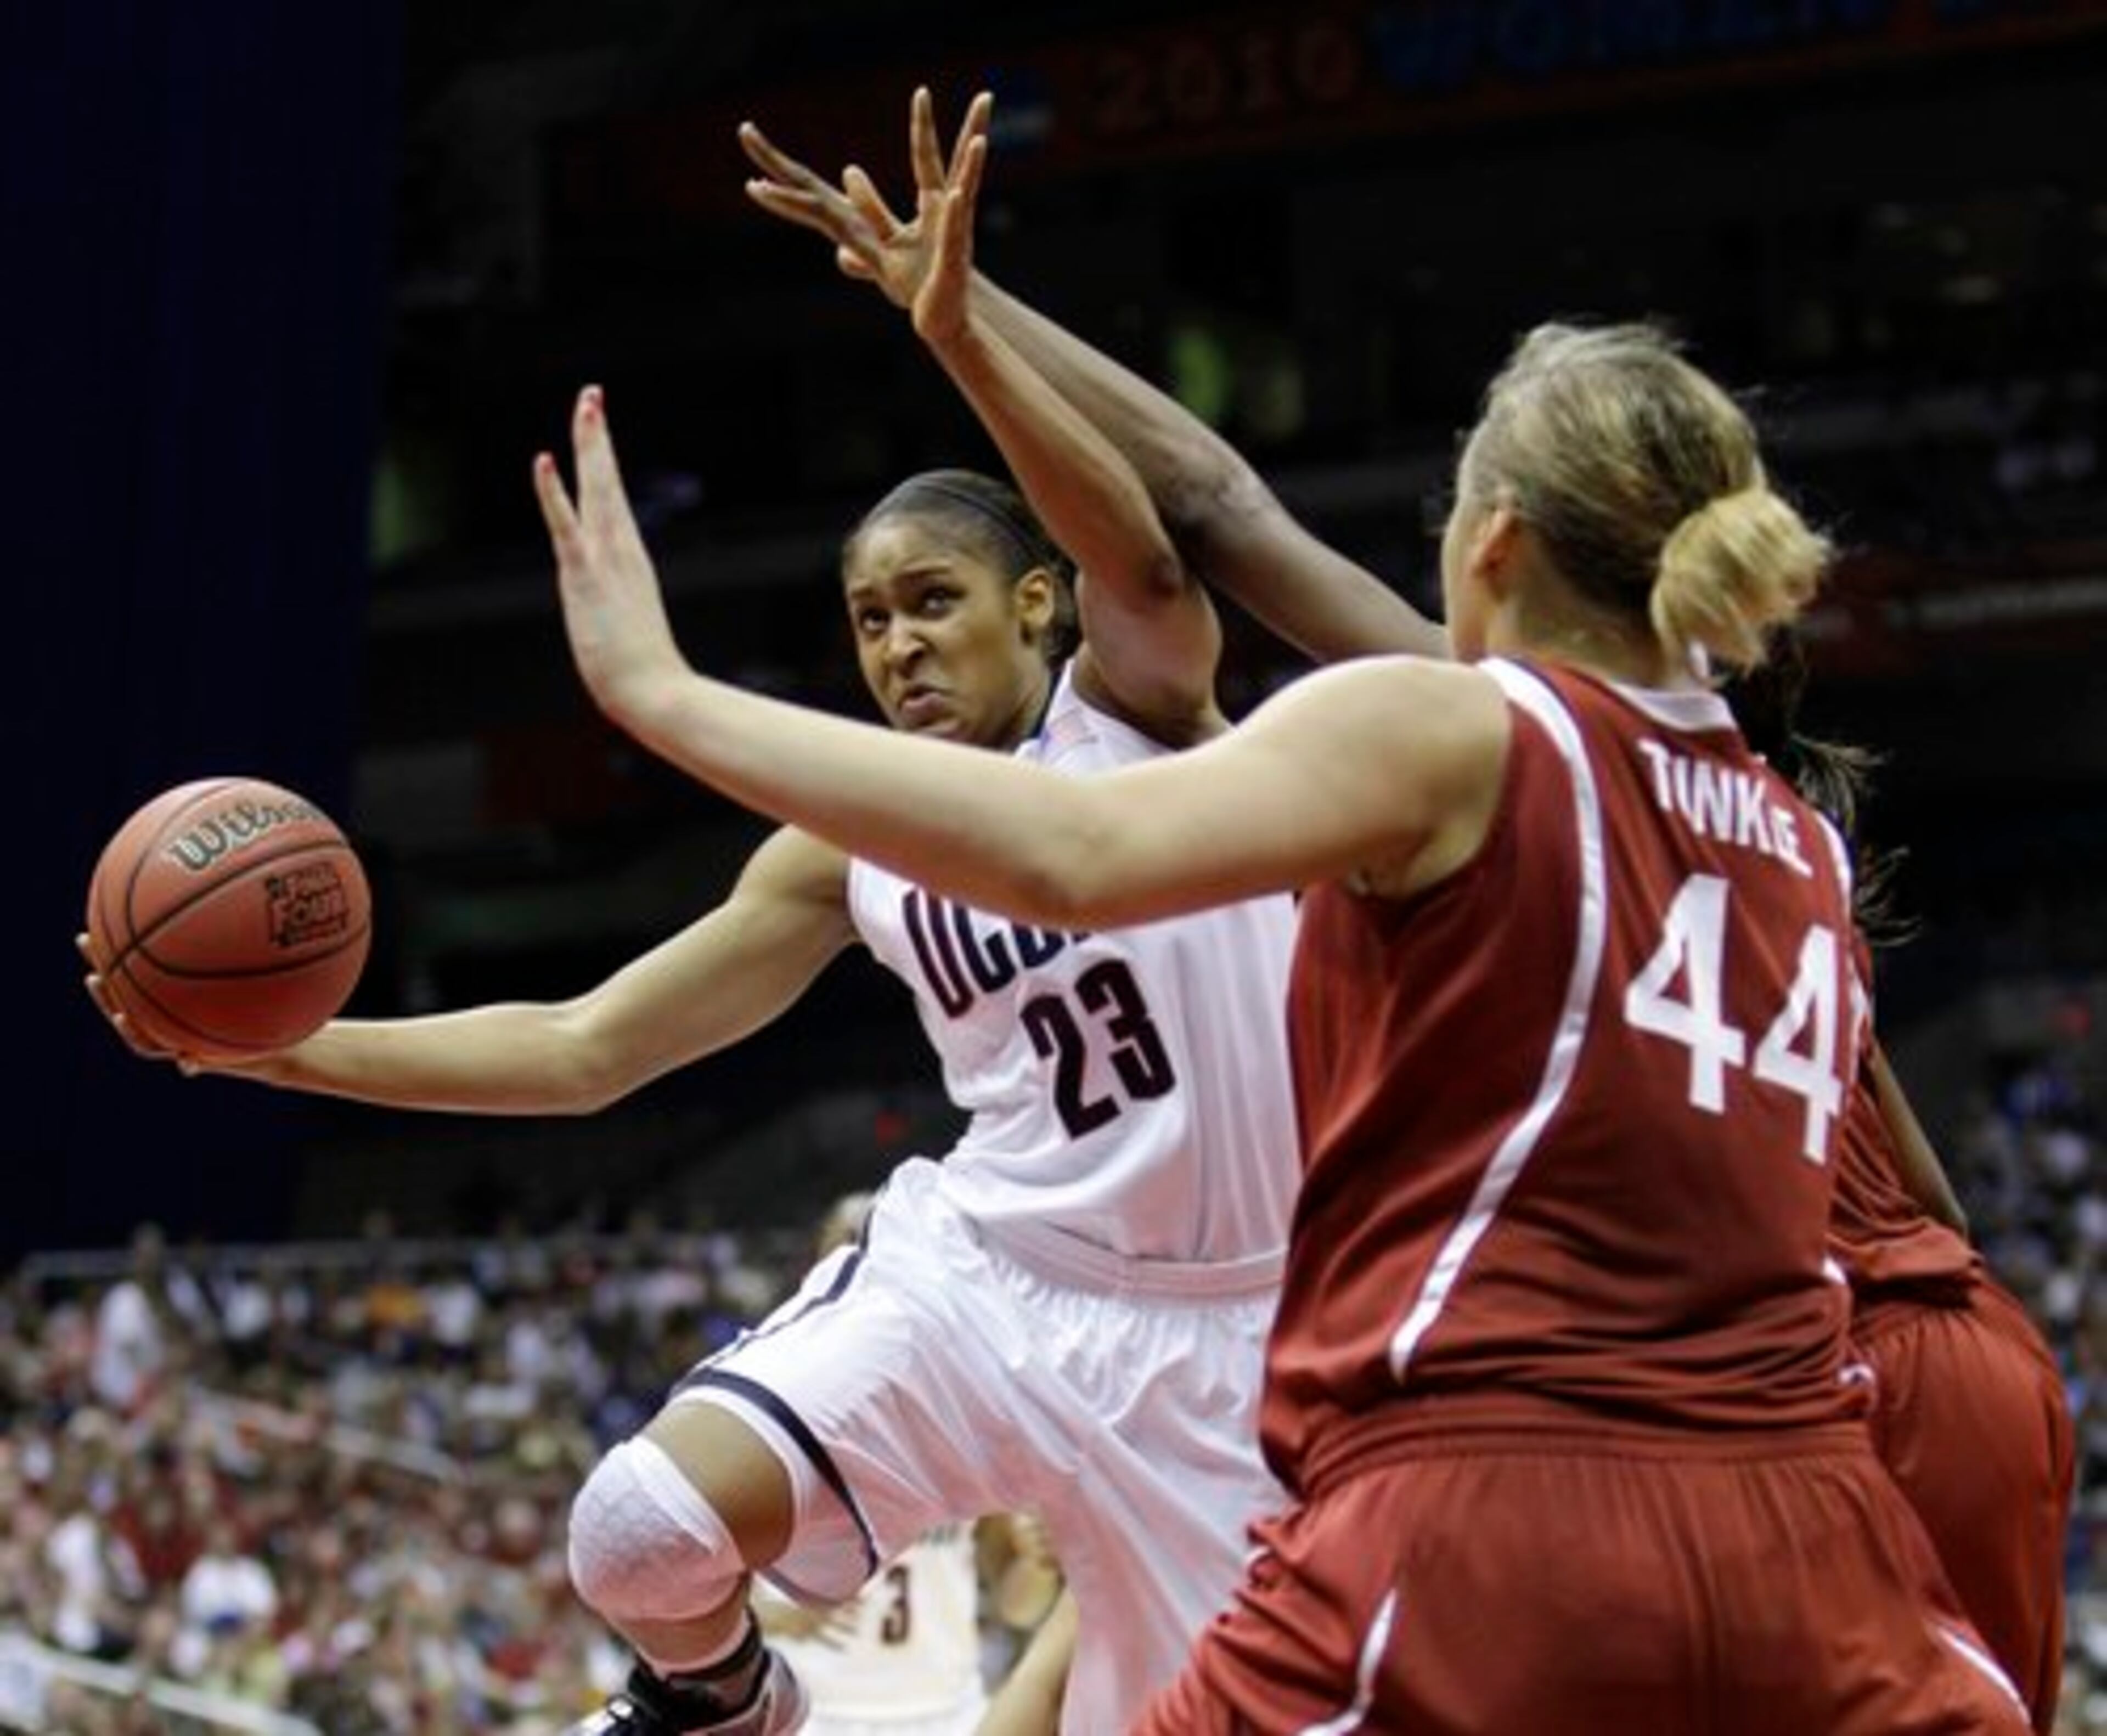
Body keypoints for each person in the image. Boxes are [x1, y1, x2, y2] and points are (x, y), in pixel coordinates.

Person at [543, 95, 2032, 1722]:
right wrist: (959, 317)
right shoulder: (1784, 827)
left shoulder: (1446, 728)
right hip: (1860, 1418)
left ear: (1492, 548)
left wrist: (666, 694)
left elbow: (1086, 821)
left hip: (1518, 1465)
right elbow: (1918, 1201)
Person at [77, 161, 1411, 1724]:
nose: (899, 642)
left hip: (1241, 1324)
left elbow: (1160, 558)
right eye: (869, 618)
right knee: (638, 1531)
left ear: (1040, 605)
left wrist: (962, 334)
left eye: (935, 600)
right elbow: (592, 1048)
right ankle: (735, 1708)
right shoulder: (854, 838)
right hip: (990, 1274)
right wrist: (277, 1047)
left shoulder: (1144, 711)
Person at [1734, 645, 2078, 1733]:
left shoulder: (1624, 842)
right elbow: (1947, 1211)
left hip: (1863, 1367)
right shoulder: (1798, 855)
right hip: (1980, 1349)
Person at [744, 1192, 1062, 1736]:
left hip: (947, 1714)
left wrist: (1036, 1561)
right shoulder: (762, 1399)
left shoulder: (974, 1412)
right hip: (811, 1716)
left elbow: (1017, 1605)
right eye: (849, 1250)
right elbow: (679, 1586)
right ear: (819, 1275)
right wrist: (763, 1620)